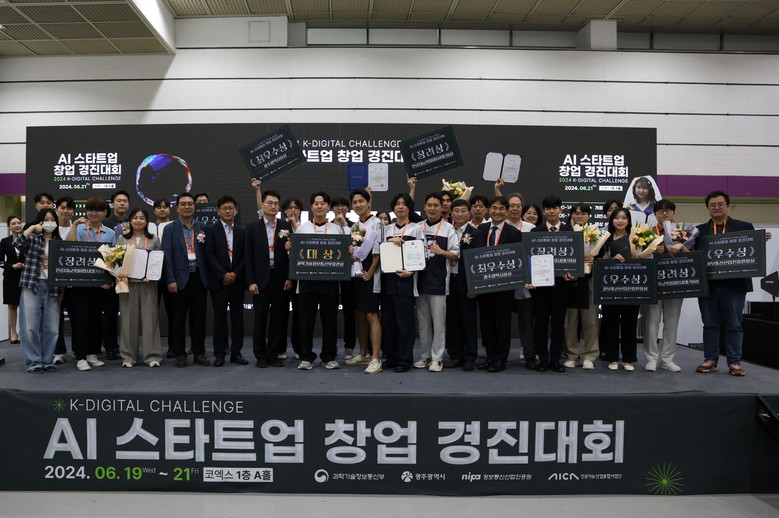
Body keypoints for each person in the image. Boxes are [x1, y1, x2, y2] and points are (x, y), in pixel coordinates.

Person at [695, 191, 756, 377]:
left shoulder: (744, 227)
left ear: (728, 206)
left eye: (720, 204)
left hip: (734, 285)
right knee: (709, 324)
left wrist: (760, 240)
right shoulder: (698, 231)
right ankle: (710, 360)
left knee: (734, 324)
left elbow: (753, 251)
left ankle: (734, 362)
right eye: (712, 205)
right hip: (708, 285)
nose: (716, 207)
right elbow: (692, 254)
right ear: (707, 208)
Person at [289, 192, 344, 370]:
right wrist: (290, 248)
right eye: (316, 203)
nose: (319, 206)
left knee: (330, 322)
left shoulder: (336, 229)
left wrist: (349, 250)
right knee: (306, 321)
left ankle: (329, 357)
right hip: (307, 282)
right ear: (311, 207)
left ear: (328, 207)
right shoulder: (302, 229)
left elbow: (343, 254)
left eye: (323, 203)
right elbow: (295, 256)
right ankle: (306, 357)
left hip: (330, 282)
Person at [66, 196, 116, 371]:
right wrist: (74, 225)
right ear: (86, 211)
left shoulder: (110, 233)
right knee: (81, 319)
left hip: (100, 283)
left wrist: (108, 279)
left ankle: (92, 353)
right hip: (79, 283)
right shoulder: (79, 228)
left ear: (105, 213)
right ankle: (80, 356)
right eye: (91, 210)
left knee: (96, 320)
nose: (94, 213)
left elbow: (112, 259)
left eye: (99, 210)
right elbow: (68, 247)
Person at [162, 192, 210, 368]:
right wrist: (170, 280)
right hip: (179, 279)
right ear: (177, 208)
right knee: (178, 319)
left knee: (199, 318)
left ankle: (199, 353)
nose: (187, 207)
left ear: (194, 207)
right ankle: (180, 354)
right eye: (183, 204)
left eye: (190, 204)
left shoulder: (202, 227)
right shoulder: (170, 229)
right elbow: (167, 256)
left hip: (199, 277)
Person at [413, 192, 459, 372]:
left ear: (442, 207)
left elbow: (455, 254)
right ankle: (425, 356)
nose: (432, 209)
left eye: (435, 205)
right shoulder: (418, 227)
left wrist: (441, 252)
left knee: (439, 324)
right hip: (420, 282)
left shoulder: (448, 228)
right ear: (424, 207)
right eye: (429, 205)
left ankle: (437, 358)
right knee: (423, 324)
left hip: (439, 283)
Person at [246, 190, 293, 368]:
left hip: (280, 279)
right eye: (269, 203)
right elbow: (248, 256)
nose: (273, 206)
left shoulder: (285, 226)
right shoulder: (252, 227)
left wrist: (289, 277)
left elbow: (291, 255)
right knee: (260, 319)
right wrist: (251, 281)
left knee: (278, 319)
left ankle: (273, 354)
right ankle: (260, 355)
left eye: (276, 203)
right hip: (260, 279)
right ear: (262, 205)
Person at [13, 208, 63, 373]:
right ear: (40, 221)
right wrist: (32, 228)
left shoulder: (59, 241)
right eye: (46, 220)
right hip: (32, 284)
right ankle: (33, 362)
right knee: (30, 327)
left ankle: (47, 360)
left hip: (53, 287)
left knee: (52, 328)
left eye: (52, 219)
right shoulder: (34, 238)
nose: (50, 223)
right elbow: (17, 243)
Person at [642, 199, 689, 373]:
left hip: (674, 282)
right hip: (652, 282)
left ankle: (667, 359)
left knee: (672, 322)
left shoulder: (682, 232)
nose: (664, 213)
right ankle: (651, 359)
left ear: (674, 213)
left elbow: (692, 255)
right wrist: (651, 250)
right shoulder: (646, 233)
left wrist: (681, 246)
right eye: (660, 211)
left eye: (668, 210)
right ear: (655, 214)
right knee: (651, 322)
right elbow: (638, 256)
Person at [530, 195, 575, 373]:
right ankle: (543, 359)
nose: (551, 211)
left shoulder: (569, 231)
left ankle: (555, 360)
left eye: (554, 208)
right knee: (540, 324)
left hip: (562, 286)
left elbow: (574, 259)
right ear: (544, 211)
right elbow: (530, 258)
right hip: (541, 287)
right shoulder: (536, 232)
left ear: (560, 210)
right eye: (548, 208)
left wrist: (574, 275)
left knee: (558, 324)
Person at [477, 196, 522, 372]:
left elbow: (516, 258)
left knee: (503, 323)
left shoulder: (514, 232)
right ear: (489, 210)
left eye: (501, 208)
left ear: (507, 211)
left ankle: (500, 359)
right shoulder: (481, 229)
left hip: (504, 286)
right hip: (483, 285)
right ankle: (490, 356)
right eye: (494, 208)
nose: (497, 212)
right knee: (486, 323)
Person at [381, 193, 424, 372]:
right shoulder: (386, 229)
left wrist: (411, 272)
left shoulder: (416, 229)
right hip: (388, 280)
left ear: (409, 208)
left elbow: (422, 254)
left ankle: (405, 360)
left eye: (404, 204)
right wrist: (390, 241)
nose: (400, 206)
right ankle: (390, 357)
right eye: (397, 203)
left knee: (405, 324)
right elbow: (379, 251)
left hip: (406, 281)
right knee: (388, 323)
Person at [205, 195, 248, 367]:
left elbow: (245, 256)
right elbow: (209, 255)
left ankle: (236, 353)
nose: (228, 211)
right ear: (218, 211)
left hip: (237, 282)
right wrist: (223, 274)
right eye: (224, 208)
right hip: (219, 282)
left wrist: (235, 274)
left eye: (231, 208)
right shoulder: (210, 230)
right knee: (219, 319)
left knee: (238, 319)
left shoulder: (242, 232)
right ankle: (219, 354)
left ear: (236, 210)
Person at [115, 208, 163, 367]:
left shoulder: (154, 239)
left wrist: (153, 274)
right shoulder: (122, 239)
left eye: (142, 218)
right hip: (127, 284)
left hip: (148, 284)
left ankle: (152, 356)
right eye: (135, 218)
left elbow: (158, 260)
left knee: (150, 320)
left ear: (147, 221)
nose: (138, 221)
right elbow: (117, 262)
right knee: (128, 320)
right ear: (130, 221)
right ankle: (128, 357)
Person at [344, 189, 384, 374]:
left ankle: (376, 358)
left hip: (371, 276)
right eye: (355, 202)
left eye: (361, 201)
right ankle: (363, 353)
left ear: (369, 203)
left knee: (371, 316)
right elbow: (357, 251)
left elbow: (380, 249)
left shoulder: (377, 223)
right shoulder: (355, 226)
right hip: (357, 275)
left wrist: (371, 270)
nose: (358, 205)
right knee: (359, 314)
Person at [445, 199, 485, 371]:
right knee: (452, 319)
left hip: (466, 282)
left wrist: (474, 286)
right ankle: (455, 355)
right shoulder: (446, 231)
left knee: (468, 320)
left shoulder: (476, 233)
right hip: (448, 281)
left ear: (469, 213)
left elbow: (478, 260)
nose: (460, 214)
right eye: (456, 211)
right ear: (451, 213)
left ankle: (470, 356)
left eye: (463, 211)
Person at [600, 207, 638, 371]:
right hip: (610, 286)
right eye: (617, 217)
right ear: (611, 220)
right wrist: (611, 259)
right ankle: (612, 358)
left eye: (624, 218)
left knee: (630, 323)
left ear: (628, 221)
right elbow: (598, 260)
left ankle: (628, 359)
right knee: (611, 323)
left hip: (632, 286)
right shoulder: (605, 238)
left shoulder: (636, 238)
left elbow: (647, 257)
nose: (620, 221)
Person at [563, 203, 599, 370]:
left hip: (589, 281)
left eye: (583, 213)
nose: (579, 216)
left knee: (590, 321)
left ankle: (589, 355)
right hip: (569, 282)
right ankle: (572, 355)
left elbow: (602, 258)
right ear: (571, 215)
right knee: (570, 321)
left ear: (588, 216)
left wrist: (593, 260)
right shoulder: (565, 232)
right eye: (576, 213)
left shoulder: (596, 234)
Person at [101, 189, 131, 361]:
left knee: (127, 312)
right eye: (119, 200)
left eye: (125, 201)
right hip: (112, 274)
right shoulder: (105, 223)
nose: (122, 203)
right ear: (112, 204)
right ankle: (110, 346)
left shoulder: (134, 222)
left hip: (129, 274)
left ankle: (127, 346)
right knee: (110, 312)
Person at [331, 196, 357, 359]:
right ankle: (331, 344)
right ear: (331, 208)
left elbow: (357, 245)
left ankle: (349, 346)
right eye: (337, 206)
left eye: (343, 206)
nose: (340, 208)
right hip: (331, 274)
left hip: (349, 274)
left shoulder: (354, 225)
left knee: (349, 311)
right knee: (331, 312)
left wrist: (345, 224)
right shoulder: (327, 226)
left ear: (348, 208)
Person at [278, 196, 304, 360]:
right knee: (281, 313)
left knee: (299, 314)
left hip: (300, 277)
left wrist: (295, 226)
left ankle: (299, 347)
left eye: (296, 208)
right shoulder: (279, 227)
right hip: (282, 277)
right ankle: (280, 348)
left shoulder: (305, 228)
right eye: (290, 208)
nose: (293, 210)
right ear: (284, 211)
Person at [53, 196, 75, 364]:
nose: (65, 211)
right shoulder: (50, 229)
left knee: (78, 319)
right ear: (57, 209)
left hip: (75, 282)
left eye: (69, 208)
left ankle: (78, 350)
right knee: (56, 319)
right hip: (55, 282)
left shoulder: (78, 229)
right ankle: (58, 351)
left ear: (73, 211)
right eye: (62, 207)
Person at [1, 215, 25, 344]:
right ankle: (13, 333)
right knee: (12, 305)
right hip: (10, 277)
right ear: (9, 227)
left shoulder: (27, 239)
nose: (17, 225)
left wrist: (25, 264)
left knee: (25, 306)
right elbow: (0, 261)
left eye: (19, 223)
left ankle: (22, 332)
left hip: (25, 276)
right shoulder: (5, 241)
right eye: (13, 223)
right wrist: (12, 265)